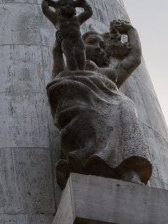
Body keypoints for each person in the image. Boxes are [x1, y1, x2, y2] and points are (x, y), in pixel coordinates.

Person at [46, 18, 153, 188]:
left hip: (110, 102)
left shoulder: (109, 73)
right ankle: (88, 162)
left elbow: (134, 58)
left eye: (102, 45)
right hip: (79, 100)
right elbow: (57, 77)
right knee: (92, 112)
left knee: (126, 106)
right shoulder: (74, 68)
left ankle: (128, 169)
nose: (98, 47)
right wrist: (57, 51)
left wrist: (130, 30)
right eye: (92, 43)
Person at [41, 0, 93, 71]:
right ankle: (73, 72)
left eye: (71, 5)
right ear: (58, 8)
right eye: (63, 4)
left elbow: (89, 12)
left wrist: (84, 3)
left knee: (81, 55)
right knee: (70, 56)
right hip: (66, 40)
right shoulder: (56, 19)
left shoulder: (77, 19)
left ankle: (82, 72)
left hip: (78, 39)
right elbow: (45, 10)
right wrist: (47, 2)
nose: (68, 6)